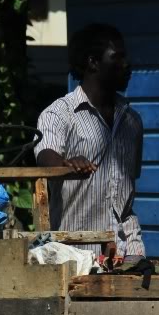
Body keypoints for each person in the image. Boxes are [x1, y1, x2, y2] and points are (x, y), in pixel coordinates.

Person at [34, 23, 144, 262]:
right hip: (76, 255)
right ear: (93, 62)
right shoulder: (59, 114)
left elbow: (127, 192)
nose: (127, 65)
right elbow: (46, 159)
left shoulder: (132, 121)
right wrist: (65, 164)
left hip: (127, 250)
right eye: (117, 57)